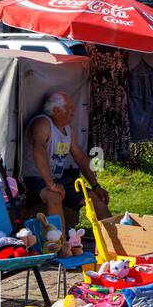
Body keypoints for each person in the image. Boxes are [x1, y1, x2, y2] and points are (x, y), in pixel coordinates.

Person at [22, 91, 110, 227]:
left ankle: (114, 243)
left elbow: (80, 157)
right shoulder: (42, 124)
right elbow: (38, 150)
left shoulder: (67, 129)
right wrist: (50, 184)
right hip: (33, 180)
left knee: (96, 197)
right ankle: (61, 245)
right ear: (57, 110)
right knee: (54, 196)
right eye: (69, 108)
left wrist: (96, 186)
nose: (73, 110)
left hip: (57, 180)